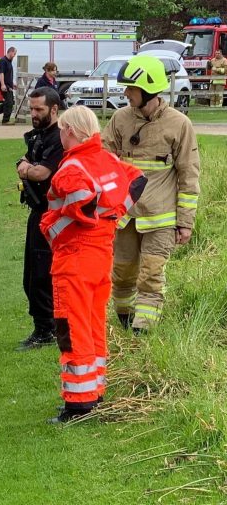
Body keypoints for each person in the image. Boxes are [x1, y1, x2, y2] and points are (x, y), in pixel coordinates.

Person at [39, 106, 145, 423]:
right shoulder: (107, 160)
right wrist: (112, 216)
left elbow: (82, 197)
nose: (60, 134)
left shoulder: (71, 168)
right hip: (101, 256)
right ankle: (95, 392)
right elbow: (138, 180)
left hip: (75, 258)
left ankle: (78, 404)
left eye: (61, 130)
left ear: (70, 131)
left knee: (72, 329)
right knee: (94, 325)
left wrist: (75, 218)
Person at [103, 55, 201, 334]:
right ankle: (124, 319)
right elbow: (103, 158)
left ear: (149, 89)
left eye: (131, 89)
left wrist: (185, 222)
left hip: (160, 218)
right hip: (125, 217)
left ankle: (142, 331)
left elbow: (189, 175)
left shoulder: (179, 124)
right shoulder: (120, 119)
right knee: (121, 274)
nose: (125, 93)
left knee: (150, 275)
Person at [16, 87, 65, 350]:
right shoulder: (40, 135)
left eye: (39, 110)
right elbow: (25, 160)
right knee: (31, 273)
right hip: (38, 211)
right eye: (31, 109)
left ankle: (46, 330)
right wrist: (25, 166)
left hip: (51, 213)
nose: (33, 114)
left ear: (54, 109)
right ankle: (45, 327)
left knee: (41, 273)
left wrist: (26, 169)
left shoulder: (58, 137)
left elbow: (41, 173)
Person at [0, 47, 17, 125]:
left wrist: (12, 84)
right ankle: (5, 120)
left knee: (10, 102)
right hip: (4, 85)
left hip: (8, 85)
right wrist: (3, 84)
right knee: (9, 102)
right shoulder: (3, 61)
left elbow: (8, 75)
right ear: (10, 52)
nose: (14, 55)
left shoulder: (9, 61)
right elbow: (1, 73)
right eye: (14, 53)